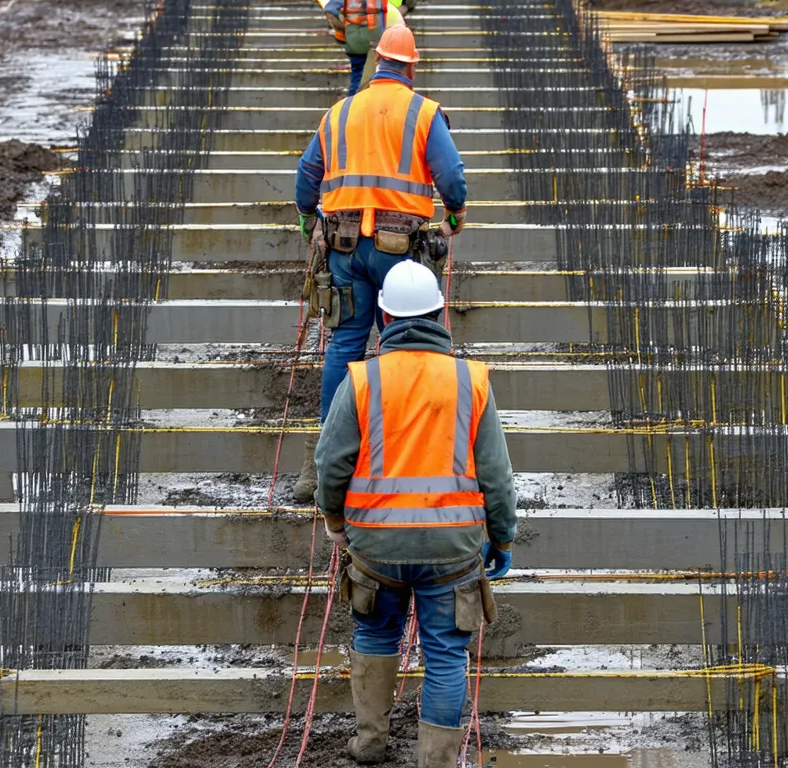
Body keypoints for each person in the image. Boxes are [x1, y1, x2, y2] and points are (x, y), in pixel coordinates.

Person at [314, 260, 517, 767]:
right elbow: (496, 476)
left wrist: (336, 524)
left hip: (376, 546)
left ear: (383, 318)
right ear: (441, 314)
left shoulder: (362, 379)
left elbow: (330, 464)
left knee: (376, 633)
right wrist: (503, 538)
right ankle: (438, 761)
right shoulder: (471, 380)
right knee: (446, 652)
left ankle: (370, 744)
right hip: (453, 548)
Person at [292, 24, 468, 504]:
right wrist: (455, 212)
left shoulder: (339, 112)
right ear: (410, 66)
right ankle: (404, 446)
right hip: (400, 251)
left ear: (377, 64)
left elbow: (307, 175)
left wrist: (310, 217)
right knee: (405, 344)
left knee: (345, 344)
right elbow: (451, 177)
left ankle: (327, 458)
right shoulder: (424, 113)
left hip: (345, 248)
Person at [320, 0, 410, 97]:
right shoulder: (382, 3)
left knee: (358, 74)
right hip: (376, 38)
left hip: (354, 39)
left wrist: (342, 28)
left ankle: (354, 103)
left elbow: (330, 9)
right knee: (377, 73)